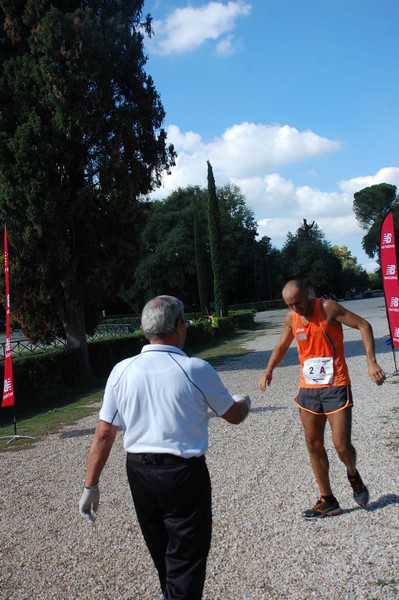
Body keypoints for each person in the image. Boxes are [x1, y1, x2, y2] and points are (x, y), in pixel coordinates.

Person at [79, 295, 250, 599]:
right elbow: (234, 416)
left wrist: (90, 484)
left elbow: (104, 433)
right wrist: (244, 402)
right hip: (182, 474)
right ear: (179, 327)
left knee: (162, 555)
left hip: (139, 473)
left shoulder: (121, 371)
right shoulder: (194, 368)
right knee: (186, 559)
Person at [258, 280, 385, 520]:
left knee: (342, 445)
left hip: (336, 385)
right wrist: (268, 369)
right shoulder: (291, 318)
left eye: (299, 303)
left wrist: (371, 361)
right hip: (308, 389)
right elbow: (282, 345)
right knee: (313, 445)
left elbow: (364, 325)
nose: (297, 309)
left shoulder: (328, 308)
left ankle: (353, 474)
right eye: (291, 305)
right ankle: (328, 500)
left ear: (308, 293)